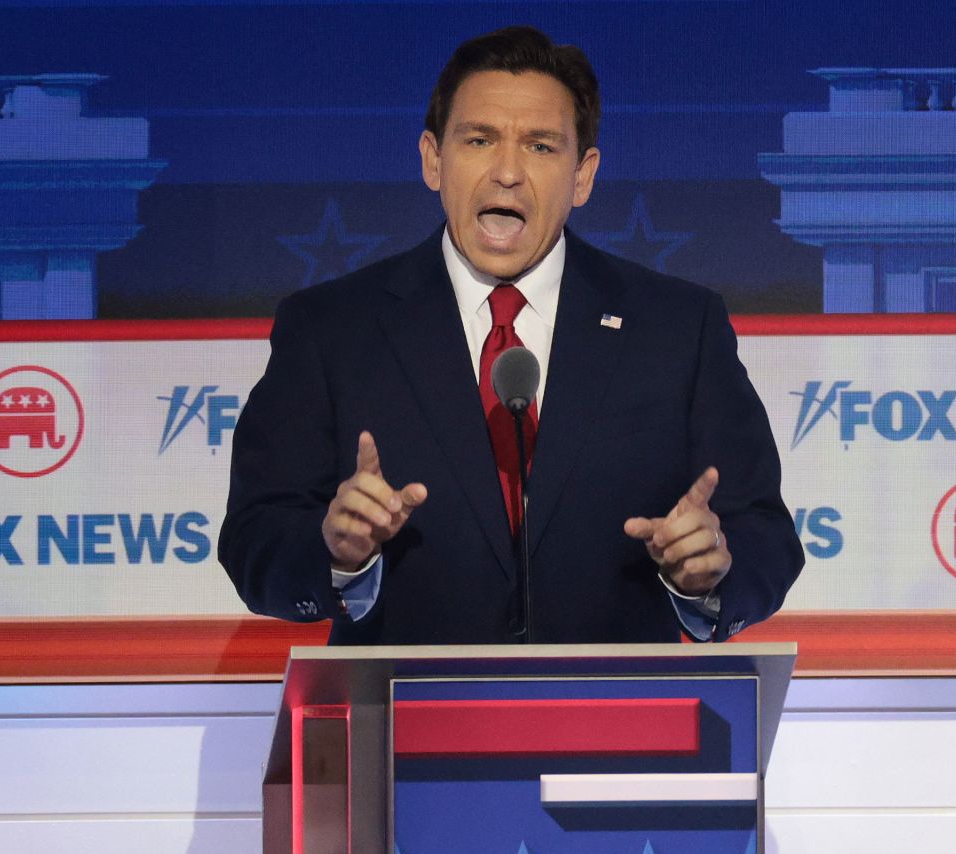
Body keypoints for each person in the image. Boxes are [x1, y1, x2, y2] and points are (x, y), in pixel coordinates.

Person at [219, 25, 803, 644]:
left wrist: (708, 576)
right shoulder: (331, 328)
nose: (507, 173)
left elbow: (762, 533)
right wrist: (339, 555)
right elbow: (255, 538)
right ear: (433, 159)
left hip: (613, 723)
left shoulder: (678, 328)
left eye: (541, 147)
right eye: (479, 139)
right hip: (400, 723)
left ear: (583, 176)